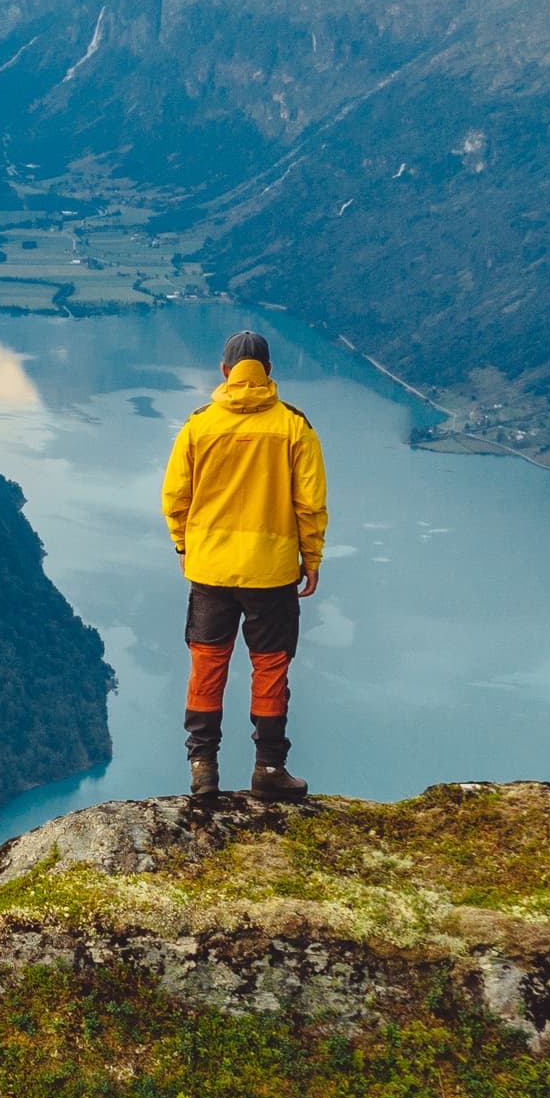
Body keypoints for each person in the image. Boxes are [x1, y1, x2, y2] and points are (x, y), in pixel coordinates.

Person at [159, 328, 326, 802]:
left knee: (207, 665)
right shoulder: (294, 426)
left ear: (225, 371)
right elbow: (309, 503)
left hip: (210, 570)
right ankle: (269, 768)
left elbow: (176, 498)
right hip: (271, 572)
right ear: (269, 371)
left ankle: (202, 768)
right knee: (269, 667)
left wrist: (184, 548)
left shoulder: (199, 425)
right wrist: (310, 557)